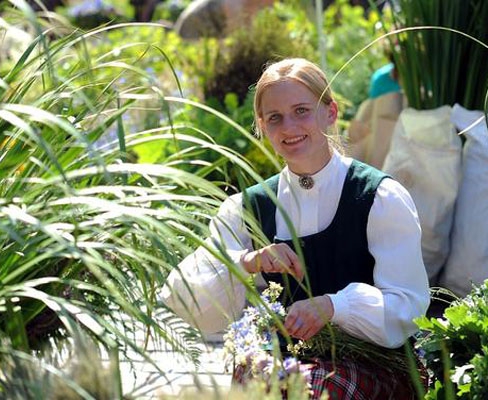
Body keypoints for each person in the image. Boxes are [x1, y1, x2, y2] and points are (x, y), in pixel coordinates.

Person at [159, 58, 430, 398]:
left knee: (314, 387)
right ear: (262, 125)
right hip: (288, 364)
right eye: (275, 118)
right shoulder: (248, 208)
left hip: (371, 364)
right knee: (256, 370)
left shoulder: (378, 197)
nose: (288, 127)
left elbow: (408, 305)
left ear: (329, 113)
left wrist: (335, 306)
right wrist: (248, 262)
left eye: (302, 110)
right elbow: (181, 298)